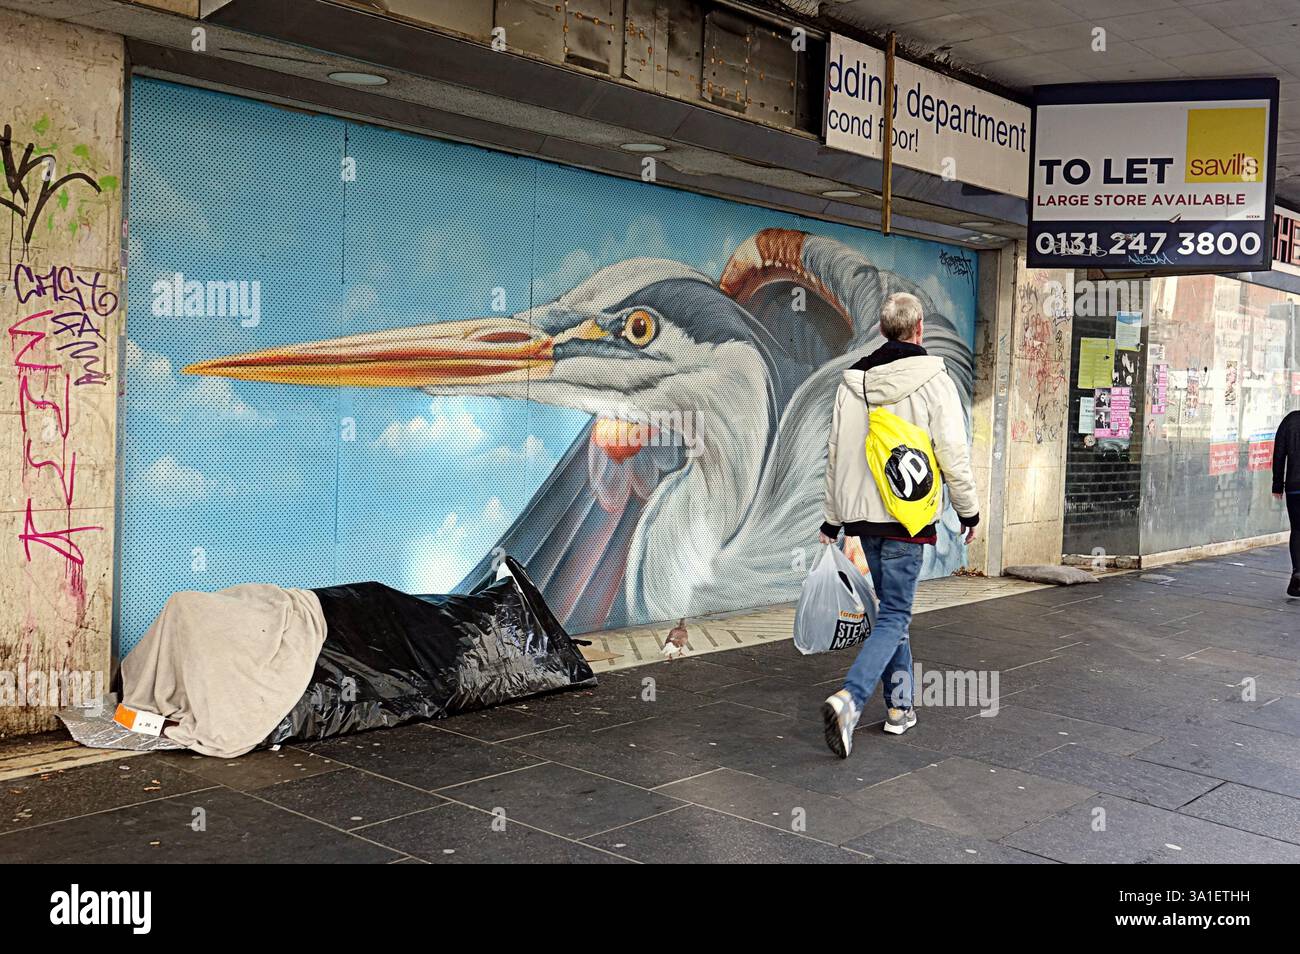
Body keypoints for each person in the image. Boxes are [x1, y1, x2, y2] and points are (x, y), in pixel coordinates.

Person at [818, 291, 980, 758]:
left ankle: (899, 709)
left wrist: (833, 519)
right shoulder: (935, 379)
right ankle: (849, 698)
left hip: (864, 518)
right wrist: (967, 510)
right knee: (894, 615)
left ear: (883, 330)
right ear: (919, 329)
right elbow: (952, 450)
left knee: (891, 611)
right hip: (906, 516)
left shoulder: (852, 384)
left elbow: (836, 455)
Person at [1271, 409, 1300, 597]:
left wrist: (1277, 484)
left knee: (1297, 529)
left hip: (1294, 486)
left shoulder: (1291, 420)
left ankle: (1298, 571)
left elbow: (1279, 453)